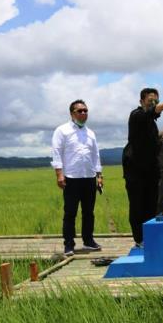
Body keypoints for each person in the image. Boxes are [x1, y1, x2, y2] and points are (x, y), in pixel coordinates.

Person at [122, 88, 163, 247]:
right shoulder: (136, 115)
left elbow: (153, 115)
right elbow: (149, 113)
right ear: (141, 102)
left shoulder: (151, 121)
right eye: (151, 101)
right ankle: (139, 239)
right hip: (135, 171)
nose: (154, 104)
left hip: (151, 171)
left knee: (151, 205)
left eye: (156, 101)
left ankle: (150, 236)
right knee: (137, 205)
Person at [51, 99, 103, 257]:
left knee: (89, 212)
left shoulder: (90, 133)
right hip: (71, 177)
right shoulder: (62, 130)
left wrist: (99, 175)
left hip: (89, 176)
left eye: (85, 110)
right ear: (72, 113)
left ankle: (88, 240)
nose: (83, 113)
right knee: (70, 212)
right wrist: (59, 174)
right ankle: (69, 244)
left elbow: (96, 155)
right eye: (80, 111)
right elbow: (57, 152)